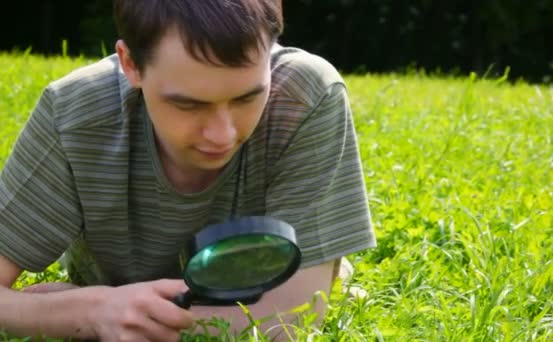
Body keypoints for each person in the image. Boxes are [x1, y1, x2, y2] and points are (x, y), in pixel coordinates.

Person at [0, 0, 376, 340]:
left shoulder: (306, 96)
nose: (222, 134)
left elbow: (291, 319)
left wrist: (81, 311)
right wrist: (97, 311)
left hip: (252, 280)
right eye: (188, 105)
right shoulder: (74, 113)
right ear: (130, 64)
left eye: (247, 97)